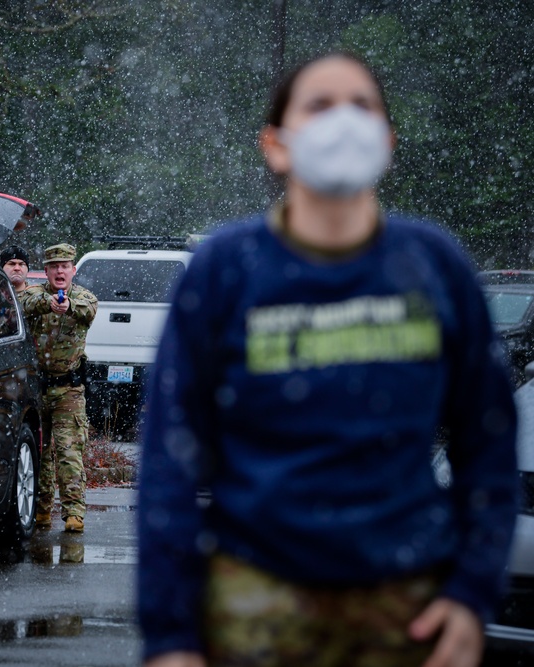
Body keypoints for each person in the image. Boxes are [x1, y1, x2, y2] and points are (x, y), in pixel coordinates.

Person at [137, 52, 518, 667]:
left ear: (388, 140)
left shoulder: (433, 265)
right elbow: (170, 462)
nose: (343, 121)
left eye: (362, 105)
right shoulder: (226, 271)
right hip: (255, 608)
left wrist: (473, 594)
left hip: (409, 612)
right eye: (319, 105)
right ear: (276, 144)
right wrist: (171, 637)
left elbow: (490, 443)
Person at [20, 243, 98, 533]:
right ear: (47, 271)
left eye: (65, 266)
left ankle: (73, 513)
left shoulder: (83, 297)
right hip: (37, 390)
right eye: (54, 267)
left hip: (69, 390)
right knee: (39, 454)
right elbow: (25, 302)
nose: (59, 271)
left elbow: (88, 310)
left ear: (73, 270)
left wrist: (67, 306)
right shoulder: (35, 295)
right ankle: (40, 511)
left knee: (68, 452)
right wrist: (48, 303)